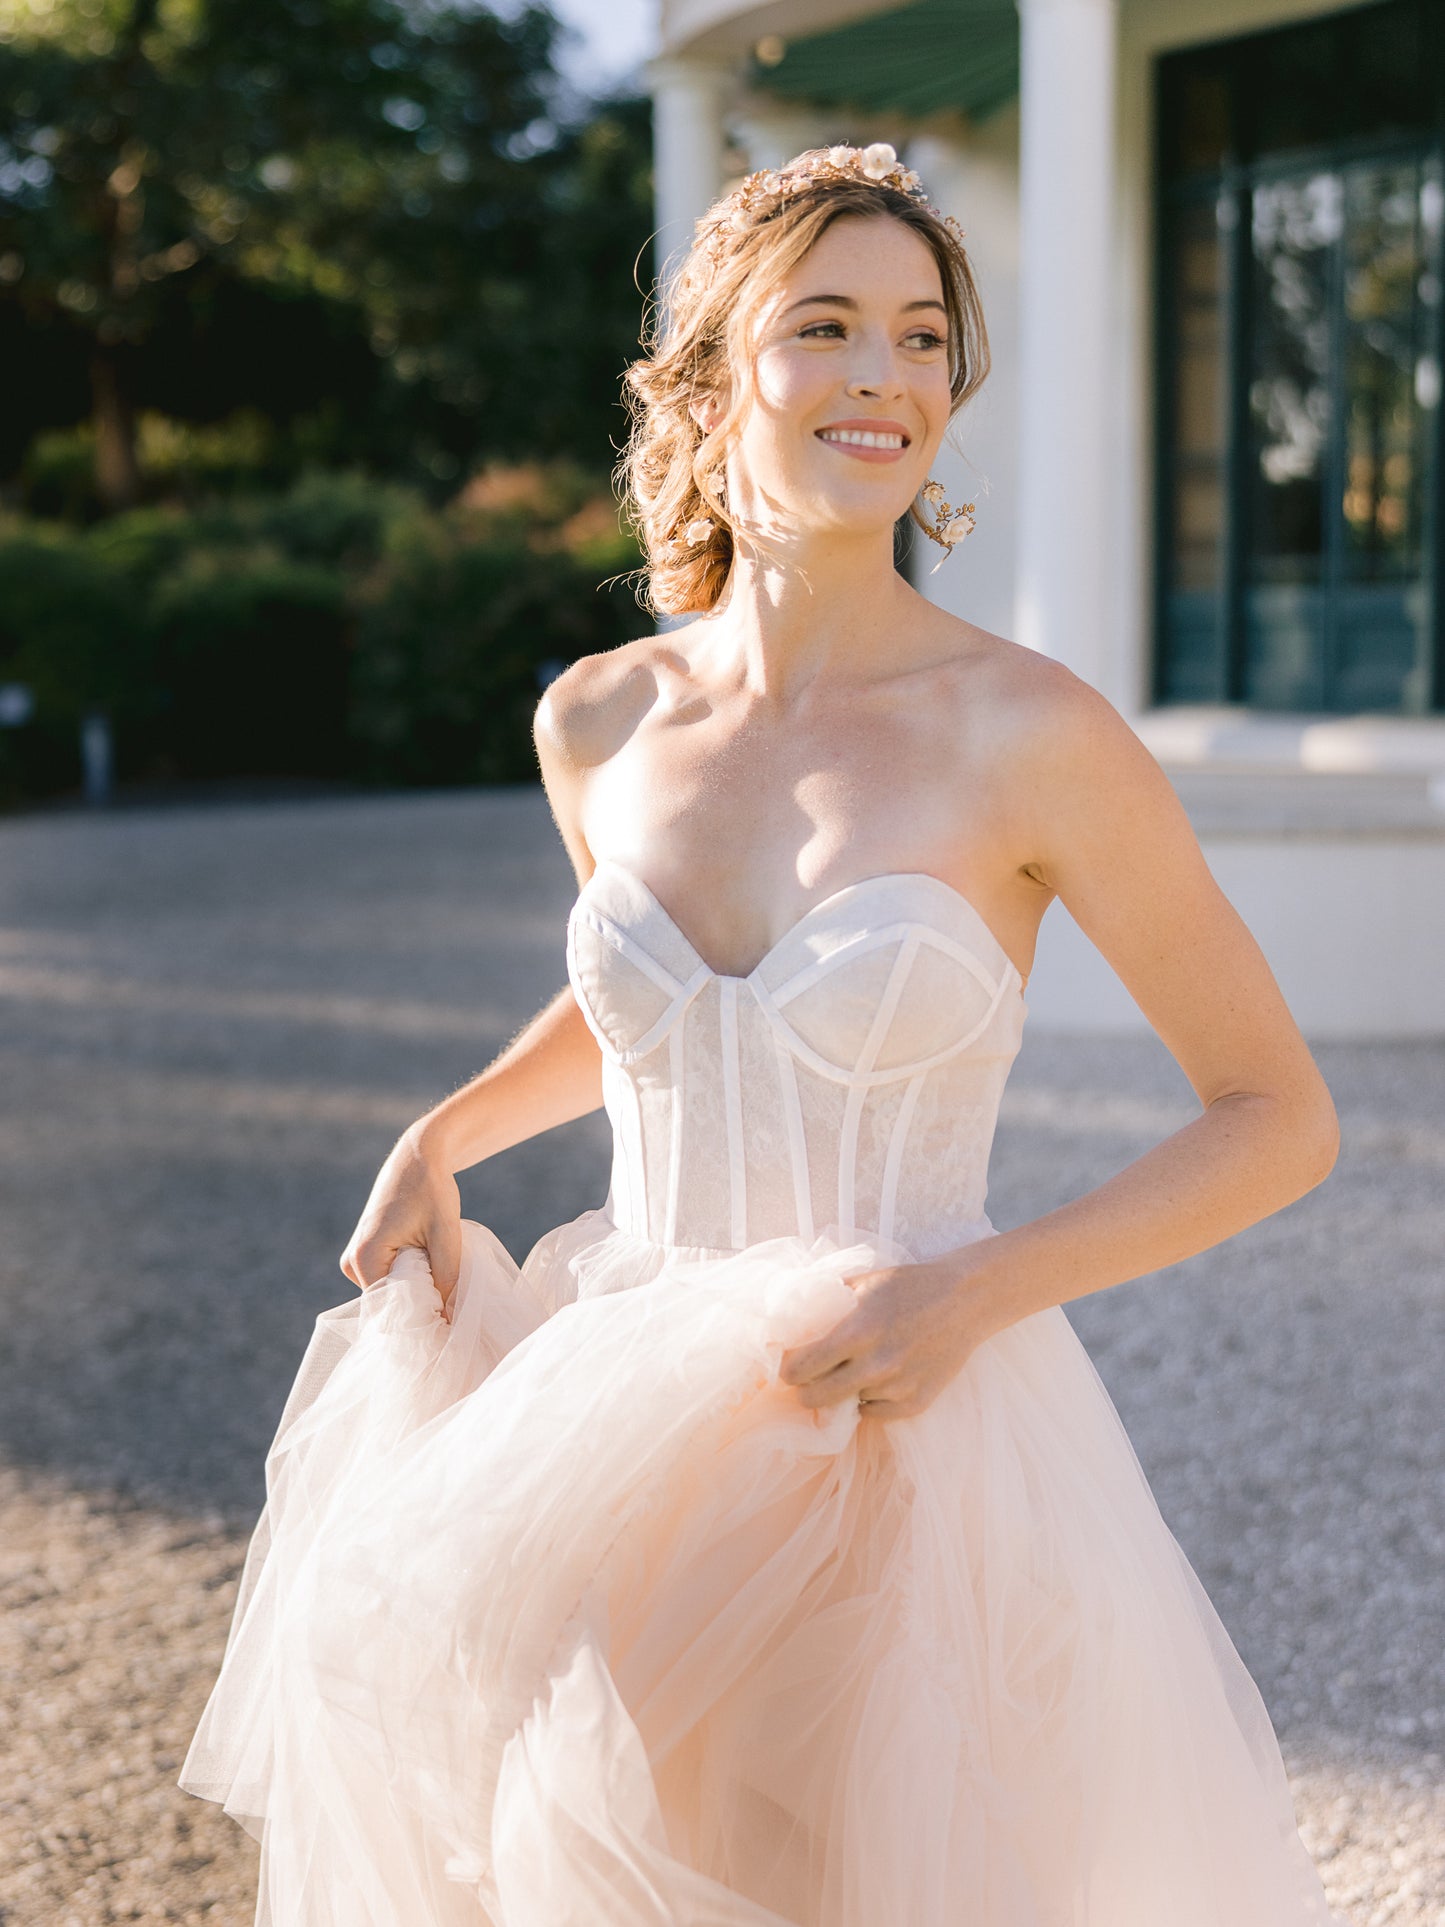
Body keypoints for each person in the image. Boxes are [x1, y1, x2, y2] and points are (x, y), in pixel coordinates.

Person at [181, 145, 1346, 1926]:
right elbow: (653, 1003)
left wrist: (976, 1289)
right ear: (715, 372)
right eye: (825, 326)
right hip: (612, 1421)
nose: (882, 375)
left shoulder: (1029, 735)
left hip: (907, 1434)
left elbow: (1276, 1115)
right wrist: (447, 1134)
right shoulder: (598, 718)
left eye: (921, 335)